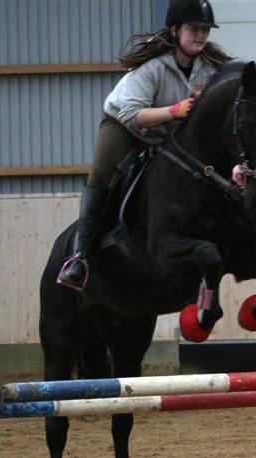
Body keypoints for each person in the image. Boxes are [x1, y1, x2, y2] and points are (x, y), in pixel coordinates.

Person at [57, 0, 231, 291]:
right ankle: (81, 256)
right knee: (102, 175)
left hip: (169, 133)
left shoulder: (210, 70)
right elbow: (132, 114)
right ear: (175, 30)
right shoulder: (152, 69)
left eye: (204, 30)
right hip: (125, 127)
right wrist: (174, 111)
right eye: (194, 29)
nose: (200, 35)